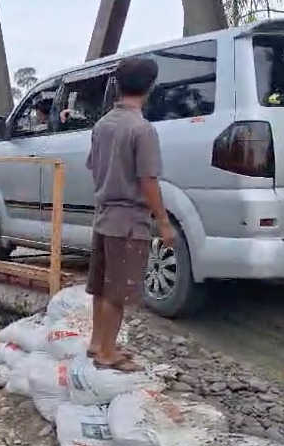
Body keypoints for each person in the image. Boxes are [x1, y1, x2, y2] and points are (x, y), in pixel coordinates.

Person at [84, 57, 176, 372]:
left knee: (100, 286)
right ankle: (107, 354)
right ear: (150, 87)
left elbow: (94, 167)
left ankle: (97, 342)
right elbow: (147, 180)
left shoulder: (102, 125)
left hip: (103, 217)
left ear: (118, 86)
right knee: (118, 293)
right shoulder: (142, 129)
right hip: (128, 222)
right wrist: (163, 222)